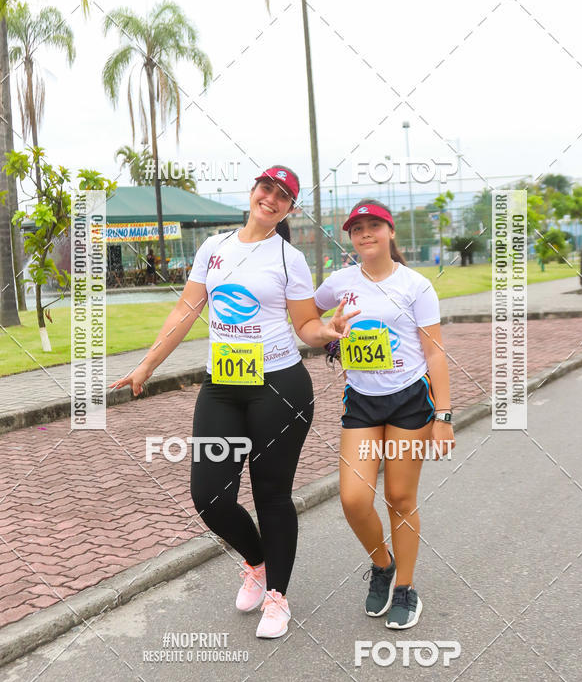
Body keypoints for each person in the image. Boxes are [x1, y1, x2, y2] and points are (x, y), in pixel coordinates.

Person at [110, 167, 357, 639]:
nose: (271, 199)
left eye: (283, 196)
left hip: (279, 387)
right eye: (267, 188)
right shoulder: (215, 248)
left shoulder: (289, 258)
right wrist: (146, 366)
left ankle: (278, 598)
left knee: (271, 494)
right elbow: (186, 311)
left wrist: (325, 332)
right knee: (209, 495)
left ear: (289, 209)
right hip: (223, 385)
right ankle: (258, 561)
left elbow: (305, 324)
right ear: (253, 193)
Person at [314, 199, 455, 630]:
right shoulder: (339, 282)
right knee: (354, 499)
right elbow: (307, 313)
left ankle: (406, 588)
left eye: (374, 225)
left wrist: (444, 417)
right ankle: (382, 563)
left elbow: (434, 350)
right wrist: (328, 331)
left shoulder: (416, 285)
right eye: (357, 229)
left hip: (409, 399)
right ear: (351, 238)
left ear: (390, 232)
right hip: (362, 400)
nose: (365, 234)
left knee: (399, 497)